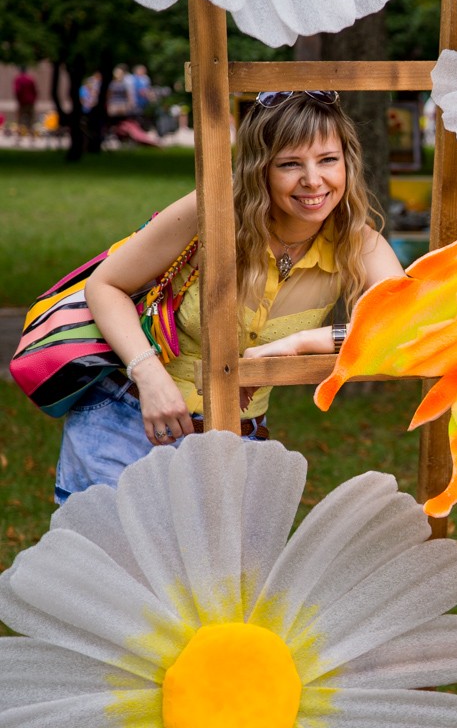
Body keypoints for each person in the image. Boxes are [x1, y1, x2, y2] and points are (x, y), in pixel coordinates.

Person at [55, 90, 405, 503]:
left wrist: (298, 345)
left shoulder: (359, 244)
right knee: (114, 567)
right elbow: (105, 285)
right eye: (290, 163)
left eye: (327, 159)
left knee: (226, 570)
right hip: (127, 421)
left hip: (238, 441)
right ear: (261, 169)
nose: (313, 180)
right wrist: (148, 375)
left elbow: (405, 327)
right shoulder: (212, 211)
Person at [13, 66, 37, 139]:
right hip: (30, 102)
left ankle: (19, 137)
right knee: (31, 120)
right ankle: (32, 138)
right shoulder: (30, 79)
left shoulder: (18, 79)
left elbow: (17, 91)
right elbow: (34, 90)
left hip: (22, 102)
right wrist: (33, 99)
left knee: (19, 121)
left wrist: (18, 99)